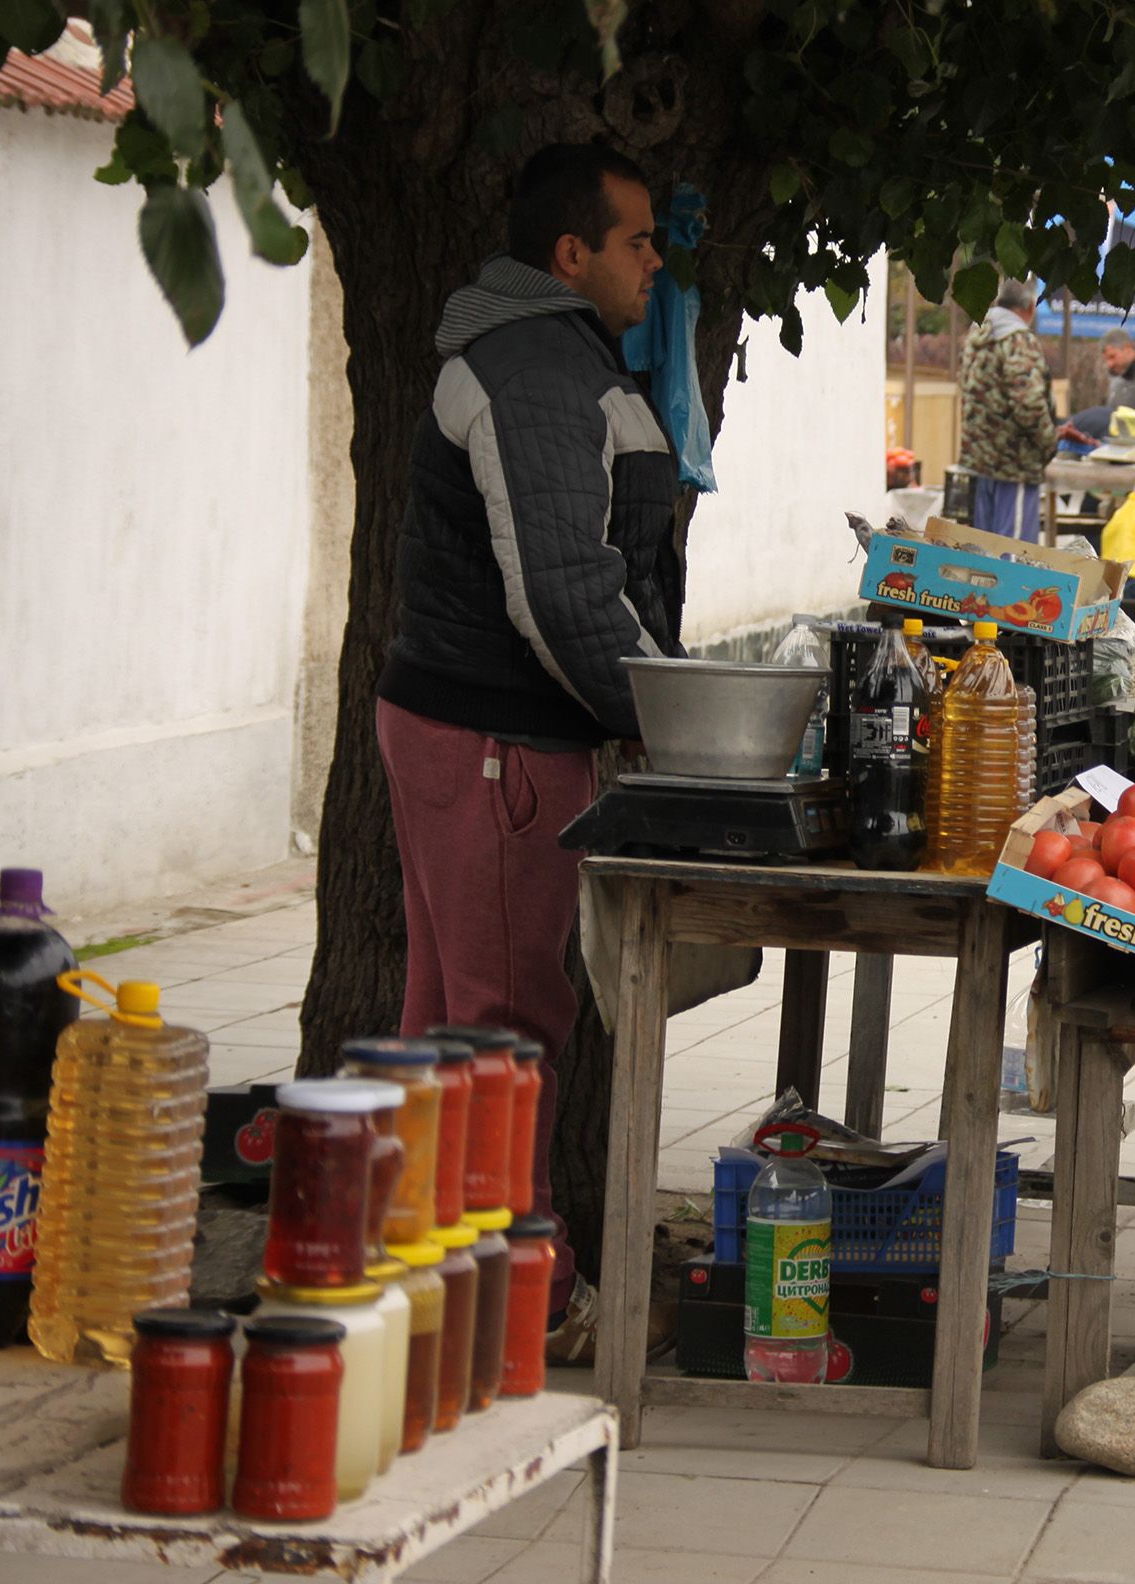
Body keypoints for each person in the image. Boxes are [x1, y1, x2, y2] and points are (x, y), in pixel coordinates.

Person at [375, 141, 678, 1359]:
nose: (656, 262)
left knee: (452, 1025)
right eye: (636, 241)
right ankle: (522, 1303)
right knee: (505, 1031)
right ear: (571, 253)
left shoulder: (550, 354)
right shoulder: (538, 367)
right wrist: (663, 720)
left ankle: (428, 1286)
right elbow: (561, 591)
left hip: (465, 724)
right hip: (495, 736)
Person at [956, 279, 1062, 541]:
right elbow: (1028, 403)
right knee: (1013, 550)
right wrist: (1050, 442)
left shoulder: (977, 336)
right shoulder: (1017, 340)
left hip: (980, 459)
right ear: (1030, 307)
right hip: (1014, 463)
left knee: (982, 549)